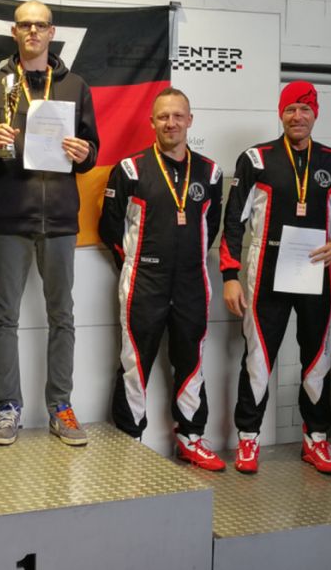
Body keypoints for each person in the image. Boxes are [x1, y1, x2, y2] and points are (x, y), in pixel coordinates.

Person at [0, 0, 99, 446]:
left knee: (62, 316)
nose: (33, 32)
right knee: (3, 316)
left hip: (60, 218)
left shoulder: (76, 86)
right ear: (14, 31)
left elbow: (92, 151)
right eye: (25, 25)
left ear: (51, 32)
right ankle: (8, 408)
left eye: (40, 25)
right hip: (10, 216)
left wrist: (84, 153)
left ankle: (60, 406)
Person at [220, 81, 331, 475]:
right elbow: (233, 221)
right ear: (280, 114)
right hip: (266, 271)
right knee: (258, 358)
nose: (297, 116)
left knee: (317, 358)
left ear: (316, 114)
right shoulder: (256, 159)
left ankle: (316, 439)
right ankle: (249, 438)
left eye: (305, 109)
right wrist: (230, 275)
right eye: (290, 109)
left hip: (316, 271)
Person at [99, 88, 225, 470]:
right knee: (135, 363)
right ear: (152, 122)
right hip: (144, 282)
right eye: (163, 117)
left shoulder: (211, 172)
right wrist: (136, 264)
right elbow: (109, 227)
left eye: (178, 116)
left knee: (191, 361)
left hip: (192, 282)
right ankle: (129, 441)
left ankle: (191, 439)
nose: (171, 123)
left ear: (190, 120)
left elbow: (210, 226)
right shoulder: (130, 170)